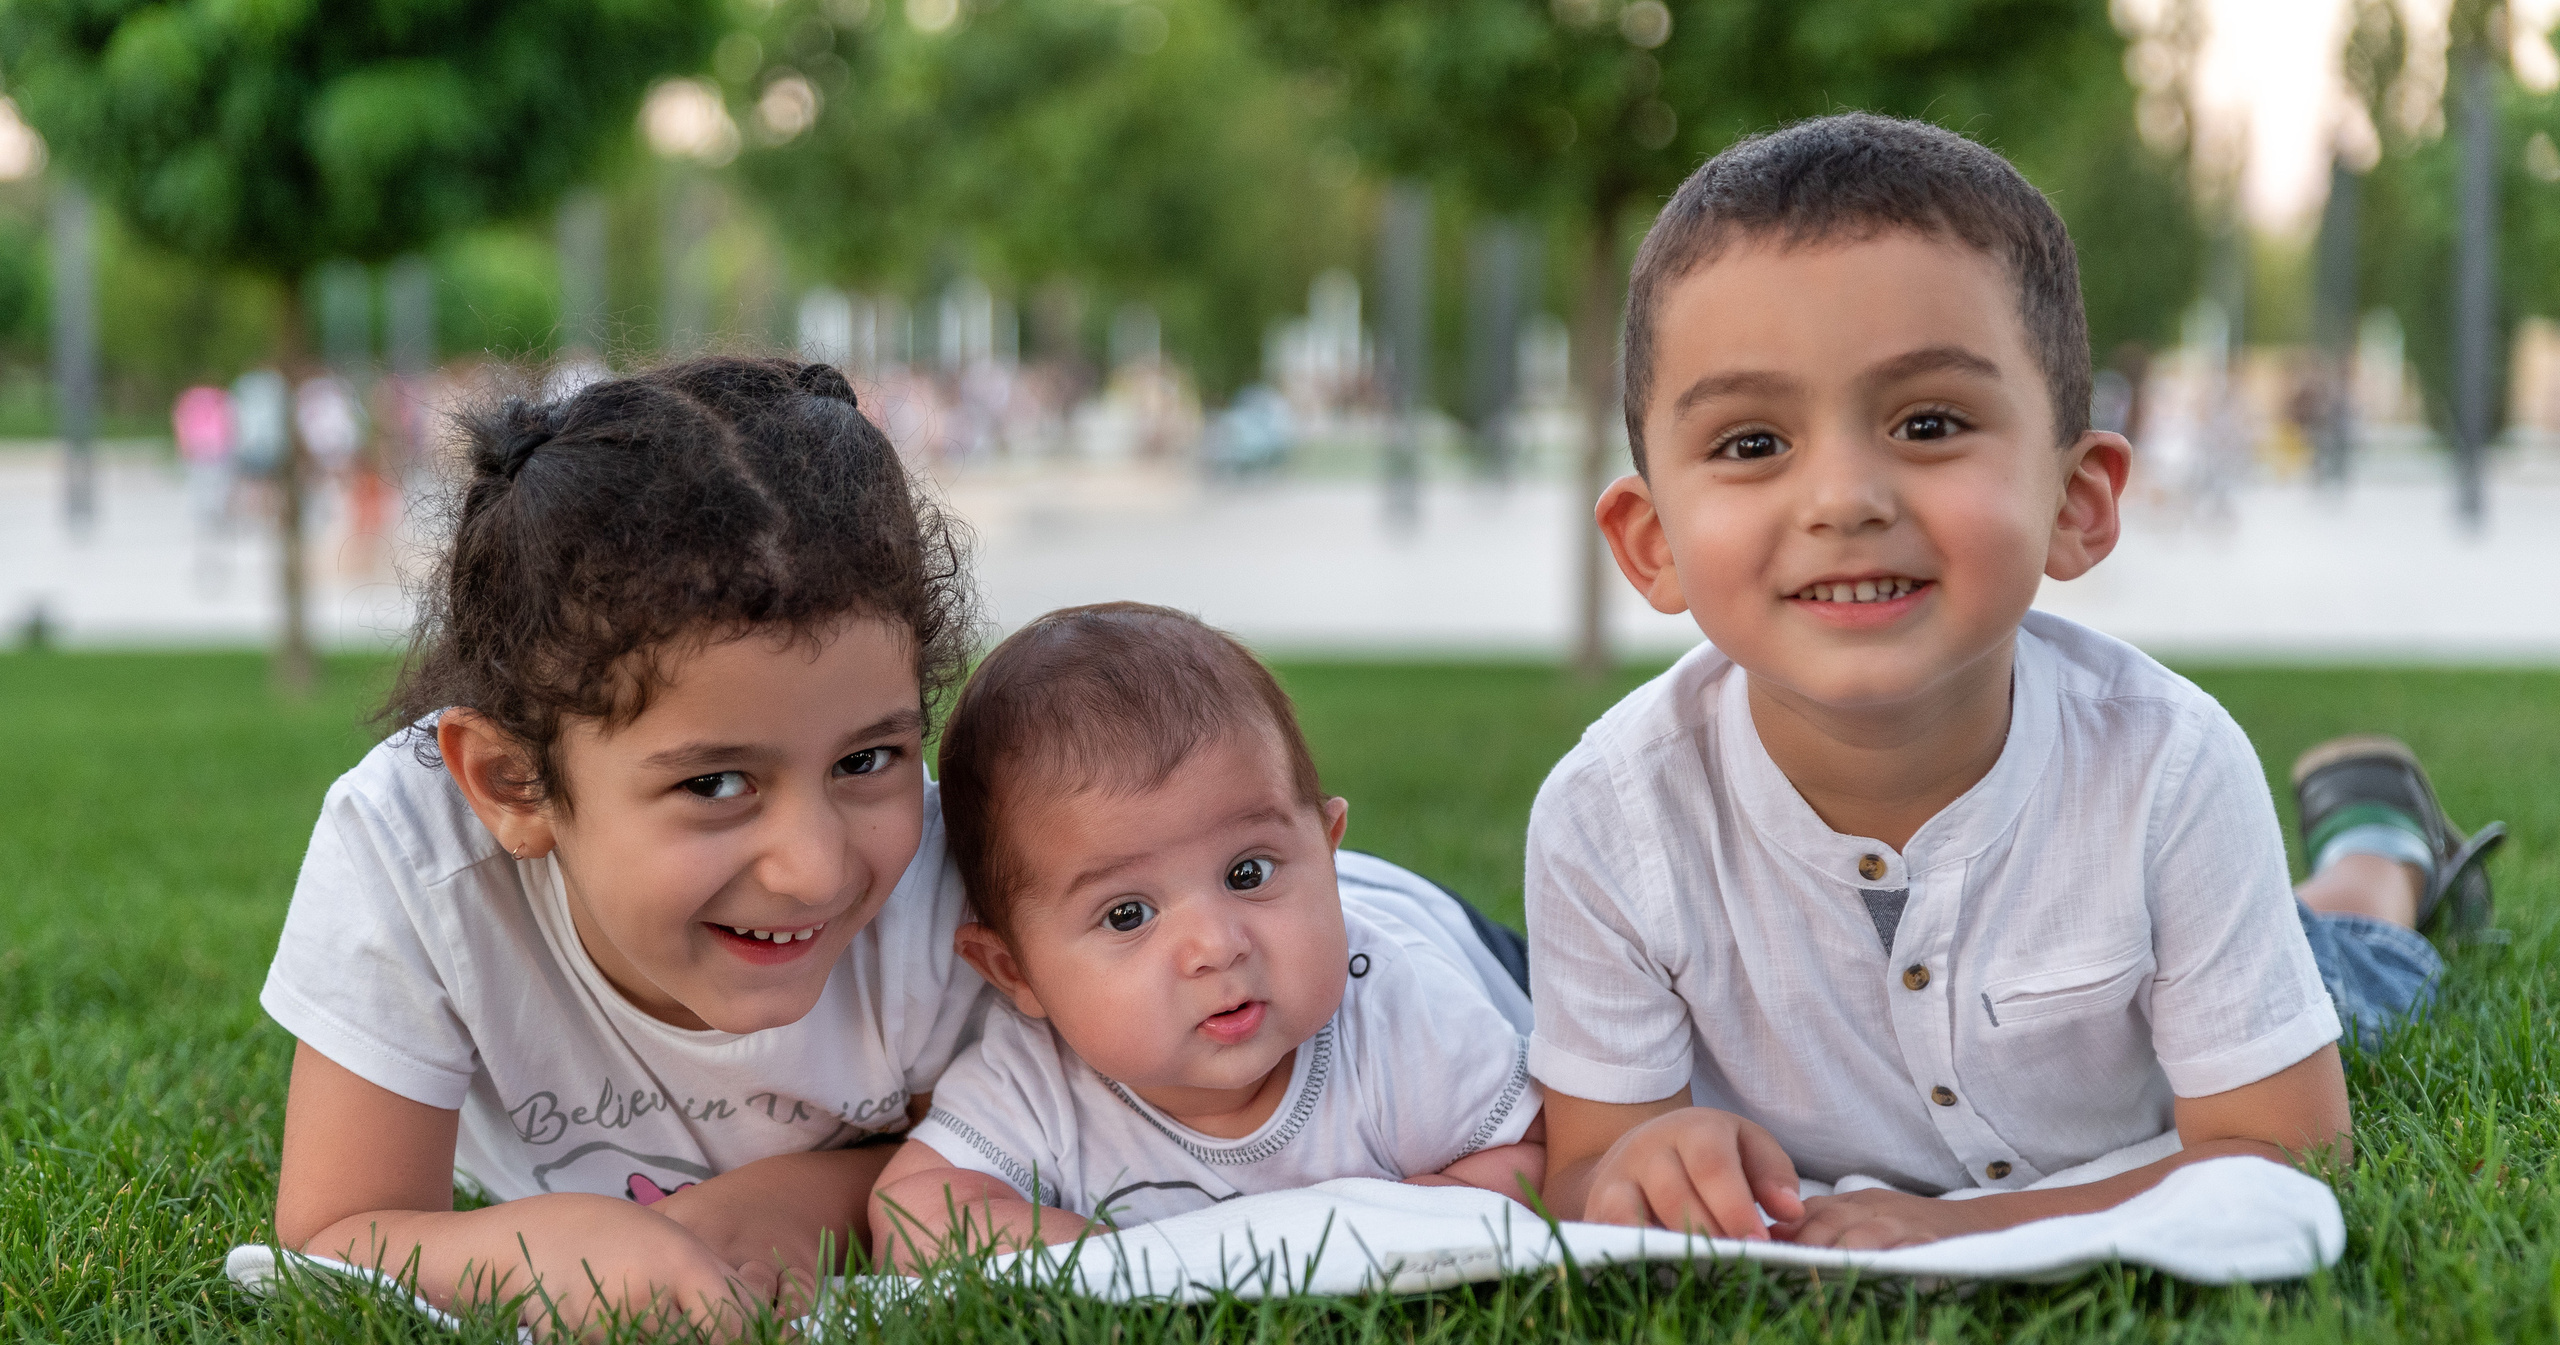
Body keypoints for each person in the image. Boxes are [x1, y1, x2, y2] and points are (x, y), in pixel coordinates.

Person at [1528, 114, 2504, 1249]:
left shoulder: (2169, 768)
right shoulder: (1609, 819)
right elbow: (1583, 1167)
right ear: (1649, 542)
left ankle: (2381, 849)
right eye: (1753, 444)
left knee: (2353, 964)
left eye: (1927, 423)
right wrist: (1640, 1168)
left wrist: (1956, 1227)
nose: (1842, 500)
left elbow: (2284, 1147)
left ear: (2075, 503)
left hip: (2194, 1016)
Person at [265, 356, 985, 1342]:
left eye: (867, 760)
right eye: (716, 784)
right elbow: (338, 1229)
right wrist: (540, 1247)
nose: (815, 868)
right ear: (513, 784)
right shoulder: (415, 850)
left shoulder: (951, 892)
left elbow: (1046, 1158)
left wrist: (808, 1200)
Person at [867, 604, 1543, 1270]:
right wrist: (1117, 1261)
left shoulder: (1399, 1015)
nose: (1216, 947)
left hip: (1449, 933)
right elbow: (914, 1212)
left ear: (1326, 848)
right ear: (1014, 972)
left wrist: (1406, 1218)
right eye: (1127, 915)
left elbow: (1540, 1153)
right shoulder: (1034, 1075)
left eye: (1248, 873)